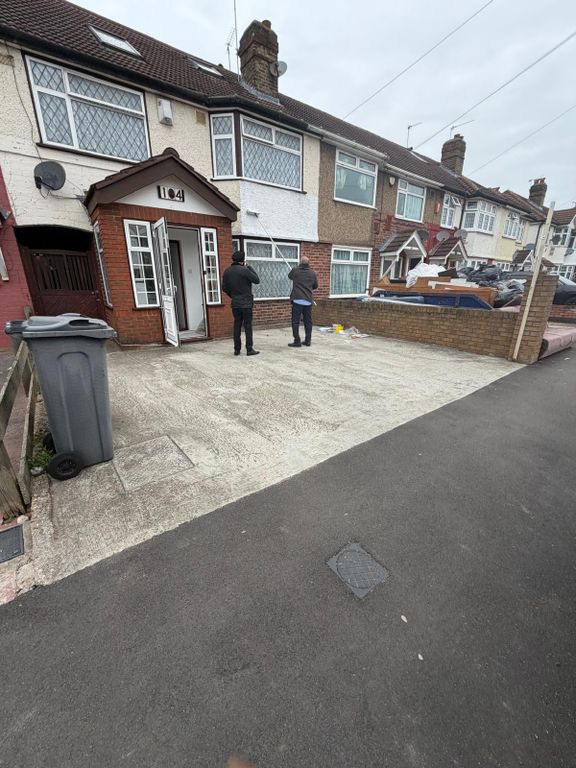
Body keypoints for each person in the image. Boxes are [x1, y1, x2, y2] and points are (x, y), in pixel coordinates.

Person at [222, 250, 260, 356]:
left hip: (235, 302)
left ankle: (237, 349)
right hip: (246, 303)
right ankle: (249, 349)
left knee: (237, 325)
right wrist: (250, 267)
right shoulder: (245, 270)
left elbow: (224, 288)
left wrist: (232, 296)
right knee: (248, 326)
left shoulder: (227, 271)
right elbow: (257, 280)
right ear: (243, 260)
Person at [288, 255, 318, 347]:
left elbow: (290, 276)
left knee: (295, 321)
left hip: (297, 300)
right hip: (308, 301)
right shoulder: (313, 273)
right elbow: (315, 286)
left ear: (300, 262)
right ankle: (308, 341)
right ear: (308, 263)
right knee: (308, 321)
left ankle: (297, 341)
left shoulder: (295, 270)